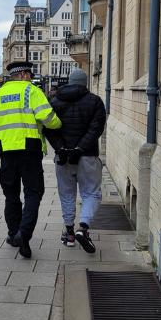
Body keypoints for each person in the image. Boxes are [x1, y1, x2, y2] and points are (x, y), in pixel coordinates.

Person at [0, 61, 62, 258]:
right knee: (33, 193)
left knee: (11, 195)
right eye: (31, 74)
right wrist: (59, 124)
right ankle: (23, 234)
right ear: (25, 75)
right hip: (29, 150)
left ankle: (12, 234)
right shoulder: (31, 91)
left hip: (5, 151)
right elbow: (48, 117)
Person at [43, 68, 106, 253]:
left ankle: (69, 233)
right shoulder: (95, 102)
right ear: (85, 82)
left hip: (63, 158)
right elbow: (96, 129)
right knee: (92, 194)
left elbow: (48, 128)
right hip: (87, 157)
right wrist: (80, 149)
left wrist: (61, 148)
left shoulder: (55, 102)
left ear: (70, 82)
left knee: (67, 194)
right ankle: (83, 228)